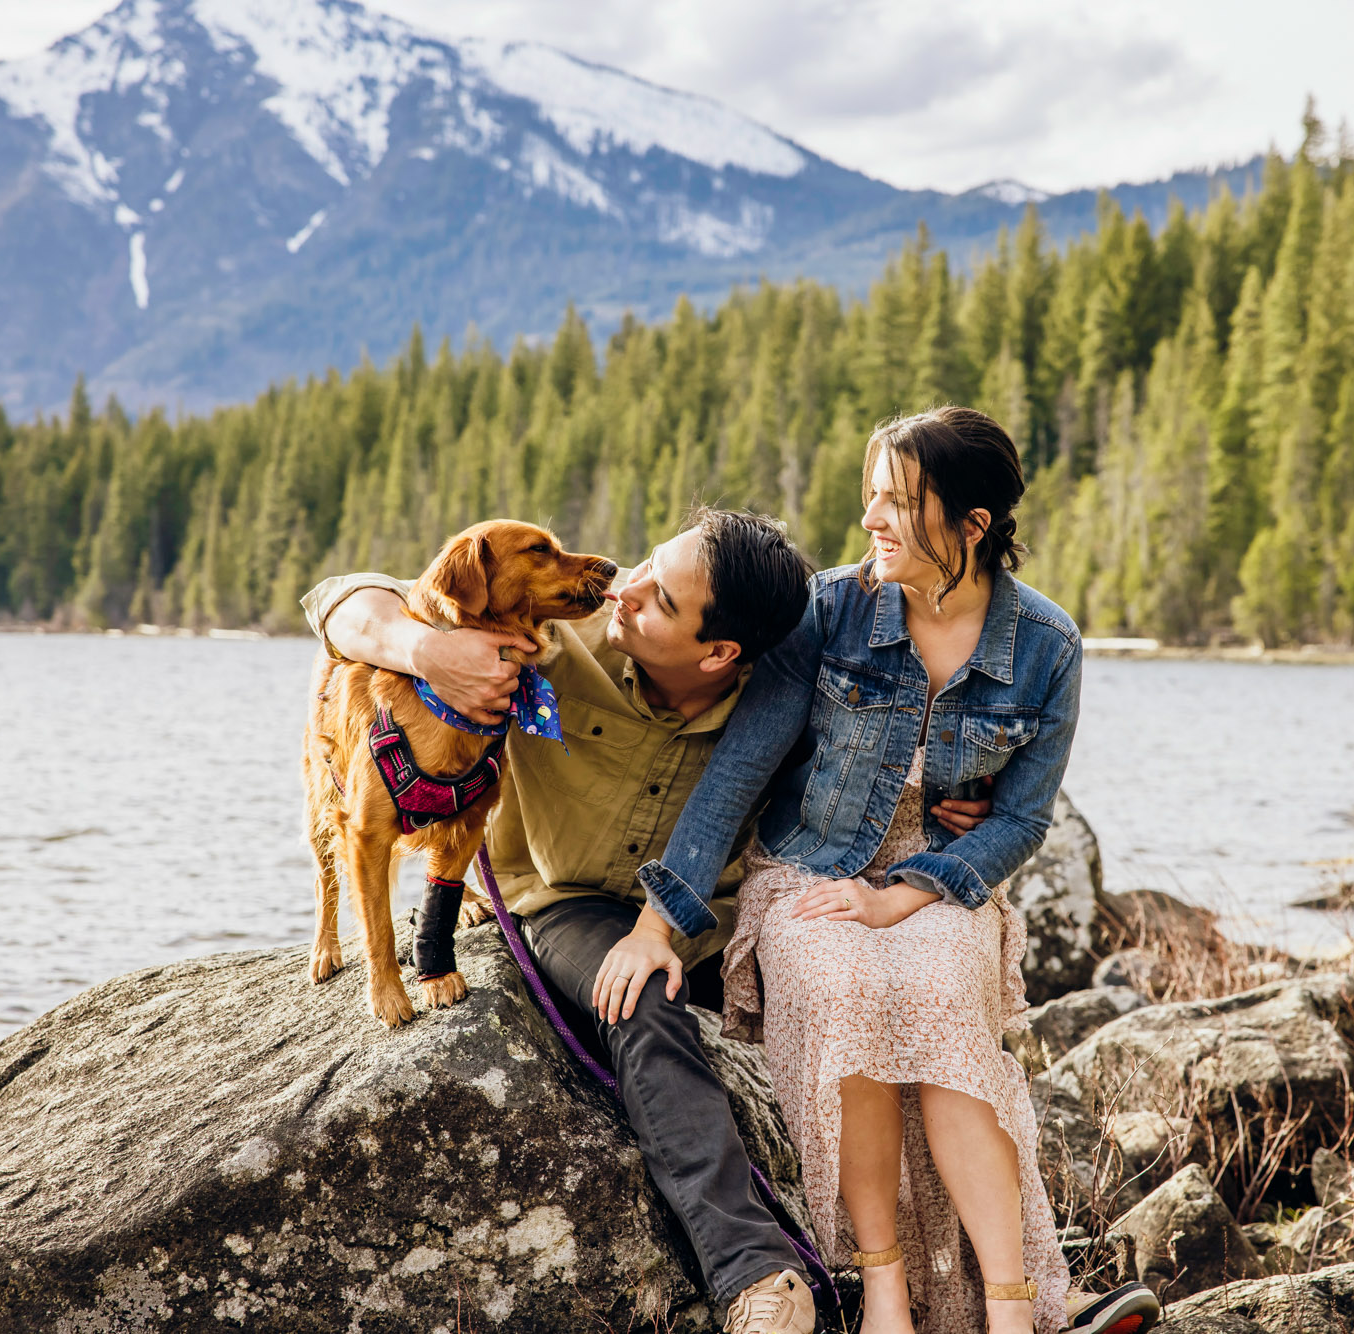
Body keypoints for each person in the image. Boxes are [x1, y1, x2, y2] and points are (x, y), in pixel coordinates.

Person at [301, 507, 990, 1334]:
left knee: (892, 986)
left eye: (659, 595)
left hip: (717, 911)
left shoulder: (780, 696)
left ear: (719, 653)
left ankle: (992, 1281)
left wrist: (963, 790)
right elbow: (334, 599)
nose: (625, 588)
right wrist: (426, 651)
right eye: (645, 569)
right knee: (642, 1001)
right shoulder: (564, 629)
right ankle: (758, 1278)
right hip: (569, 903)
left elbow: (901, 734)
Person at [635, 409, 1157, 1334]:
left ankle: (1012, 1306)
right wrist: (658, 922)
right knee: (839, 994)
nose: (871, 517)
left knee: (946, 999)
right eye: (870, 493)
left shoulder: (1046, 646)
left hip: (942, 875)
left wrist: (905, 894)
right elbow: (738, 773)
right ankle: (883, 1294)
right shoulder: (829, 608)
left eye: (897, 500)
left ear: (972, 525)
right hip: (808, 868)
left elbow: (1026, 819)